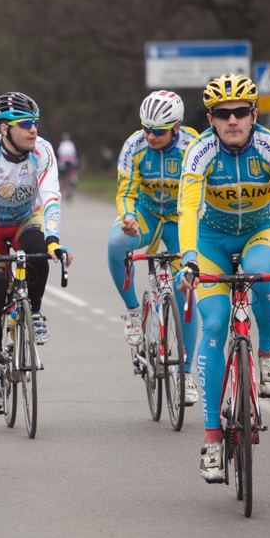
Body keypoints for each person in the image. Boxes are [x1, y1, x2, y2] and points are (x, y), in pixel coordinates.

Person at [175, 74, 270, 484]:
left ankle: (266, 356)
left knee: (264, 277)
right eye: (221, 114)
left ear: (254, 114)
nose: (231, 120)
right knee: (214, 324)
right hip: (212, 240)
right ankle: (213, 437)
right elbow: (187, 210)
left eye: (239, 113)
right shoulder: (198, 152)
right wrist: (190, 260)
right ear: (211, 119)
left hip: (258, 232)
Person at [0, 92, 73, 413]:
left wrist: (54, 239)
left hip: (24, 220)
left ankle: (36, 310)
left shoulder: (42, 151)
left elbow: (51, 196)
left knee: (38, 250)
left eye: (36, 123)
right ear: (4, 129)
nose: (34, 130)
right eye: (26, 124)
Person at [106, 90, 200, 406]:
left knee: (185, 288)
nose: (150, 135)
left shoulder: (193, 146)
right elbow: (125, 191)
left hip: (180, 219)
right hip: (146, 214)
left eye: (158, 130)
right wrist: (128, 217)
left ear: (177, 127)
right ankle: (133, 311)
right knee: (116, 243)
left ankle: (186, 374)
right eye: (146, 127)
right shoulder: (134, 146)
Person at [57, 132, 79, 197]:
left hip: (63, 161)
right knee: (74, 168)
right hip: (71, 160)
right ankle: (74, 177)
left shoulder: (62, 144)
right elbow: (74, 153)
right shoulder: (71, 144)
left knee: (63, 175)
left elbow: (59, 153)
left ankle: (64, 187)